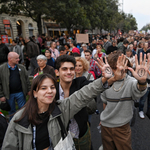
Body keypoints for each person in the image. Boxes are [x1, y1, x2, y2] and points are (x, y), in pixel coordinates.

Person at [2, 58, 120, 149]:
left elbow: (84, 94)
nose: (49, 91)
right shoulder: (20, 119)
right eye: (43, 88)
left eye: (52, 87)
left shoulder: (60, 108)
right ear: (35, 93)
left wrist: (105, 79)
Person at [99, 52, 149, 150]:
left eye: (121, 66)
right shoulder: (105, 82)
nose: (118, 70)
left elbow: (139, 90)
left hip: (122, 127)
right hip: (105, 126)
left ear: (127, 67)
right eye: (114, 67)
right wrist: (103, 118)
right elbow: (105, 102)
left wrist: (142, 82)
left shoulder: (130, 82)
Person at [0, 52, 31, 119]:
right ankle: (12, 125)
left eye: (18, 58)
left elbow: (27, 80)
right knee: (11, 111)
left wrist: (29, 90)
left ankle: (23, 124)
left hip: (20, 93)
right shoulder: (2, 69)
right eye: (16, 58)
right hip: (8, 94)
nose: (18, 59)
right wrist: (1, 95)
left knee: (23, 110)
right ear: (10, 59)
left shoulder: (22, 68)